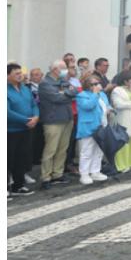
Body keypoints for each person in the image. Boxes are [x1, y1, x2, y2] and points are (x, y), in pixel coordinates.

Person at [38, 59, 77, 188]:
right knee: (51, 149)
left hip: (67, 118)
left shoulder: (63, 81)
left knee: (62, 149)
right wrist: (67, 93)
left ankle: (57, 174)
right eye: (64, 68)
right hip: (53, 120)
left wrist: (65, 93)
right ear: (55, 69)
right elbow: (57, 98)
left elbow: (74, 91)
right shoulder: (45, 83)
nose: (66, 70)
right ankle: (46, 177)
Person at [8, 63, 39, 197]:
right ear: (7, 75)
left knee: (21, 158)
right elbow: (7, 112)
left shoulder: (25, 89)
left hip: (26, 130)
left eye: (20, 73)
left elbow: (33, 104)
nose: (20, 75)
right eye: (16, 73)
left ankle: (18, 186)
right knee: (7, 159)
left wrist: (36, 116)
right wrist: (26, 120)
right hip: (10, 131)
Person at [75, 74, 111, 184]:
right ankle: (84, 174)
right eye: (93, 84)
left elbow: (107, 105)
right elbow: (88, 106)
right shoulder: (82, 95)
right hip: (88, 126)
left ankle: (95, 171)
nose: (96, 86)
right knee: (87, 151)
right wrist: (95, 94)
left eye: (97, 83)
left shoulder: (102, 94)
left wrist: (110, 109)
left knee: (99, 150)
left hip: (102, 125)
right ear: (87, 85)